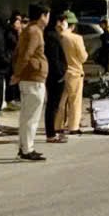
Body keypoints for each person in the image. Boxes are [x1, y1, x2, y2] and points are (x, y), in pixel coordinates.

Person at [13, 3, 50, 160]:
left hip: (29, 78)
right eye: (48, 15)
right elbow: (26, 55)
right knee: (31, 116)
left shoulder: (29, 30)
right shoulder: (35, 32)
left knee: (26, 115)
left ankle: (24, 146)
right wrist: (17, 73)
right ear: (43, 15)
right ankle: (28, 149)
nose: (48, 19)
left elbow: (18, 53)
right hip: (33, 78)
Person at [56, 11, 88, 136]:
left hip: (60, 72)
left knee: (60, 101)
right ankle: (73, 126)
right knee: (74, 101)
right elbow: (83, 57)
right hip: (75, 72)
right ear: (73, 25)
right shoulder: (76, 38)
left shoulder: (58, 37)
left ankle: (57, 125)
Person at [44, 9, 69, 144]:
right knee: (53, 105)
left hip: (54, 75)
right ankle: (51, 134)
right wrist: (60, 74)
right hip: (55, 76)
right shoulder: (52, 37)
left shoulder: (52, 35)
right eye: (64, 21)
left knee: (53, 105)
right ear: (58, 22)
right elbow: (54, 59)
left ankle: (52, 132)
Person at [4, 11, 22, 109]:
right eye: (17, 22)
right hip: (9, 59)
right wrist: (19, 33)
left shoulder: (14, 32)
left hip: (14, 59)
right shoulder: (9, 33)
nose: (19, 25)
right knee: (10, 79)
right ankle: (9, 99)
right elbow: (16, 45)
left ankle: (13, 98)